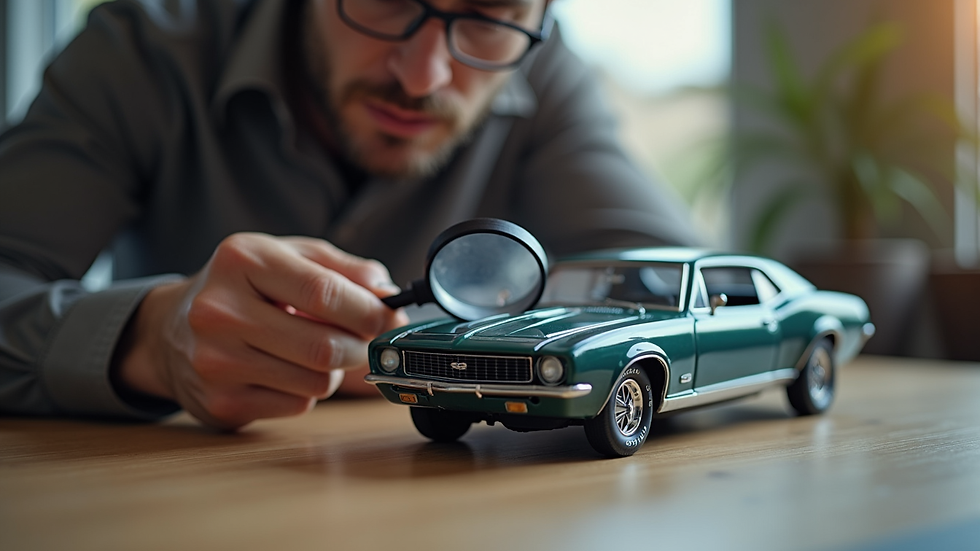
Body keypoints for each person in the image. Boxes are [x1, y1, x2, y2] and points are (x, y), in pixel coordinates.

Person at [0, 0, 701, 430]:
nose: (423, 75)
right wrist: (145, 342)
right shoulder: (144, 50)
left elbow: (681, 292)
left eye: (492, 12)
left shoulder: (544, 77)